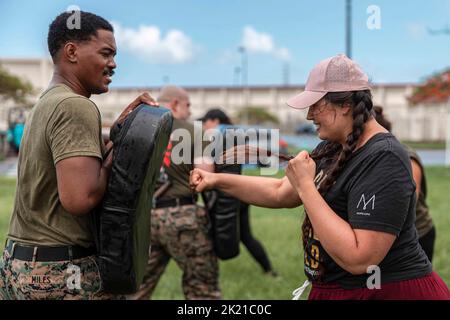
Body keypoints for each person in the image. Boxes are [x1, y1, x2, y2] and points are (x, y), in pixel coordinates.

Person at [190, 54, 449, 300]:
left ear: (345, 104)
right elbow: (279, 191)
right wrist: (215, 181)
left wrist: (306, 187)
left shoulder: (385, 157)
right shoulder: (335, 146)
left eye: (316, 105)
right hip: (340, 288)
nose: (308, 115)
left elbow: (360, 258)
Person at [0, 11, 156, 300]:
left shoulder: (47, 102)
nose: (113, 64)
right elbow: (79, 198)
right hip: (61, 272)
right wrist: (125, 151)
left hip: (20, 265)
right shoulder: (76, 106)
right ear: (72, 51)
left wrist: (121, 132)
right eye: (106, 53)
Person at [132, 85, 220, 300]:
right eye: (187, 105)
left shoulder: (138, 129)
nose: (190, 111)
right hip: (184, 217)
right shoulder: (195, 132)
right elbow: (205, 177)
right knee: (202, 290)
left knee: (136, 288)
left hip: (144, 220)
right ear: (175, 104)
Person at [200, 108, 278, 276]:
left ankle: (207, 276)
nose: (204, 127)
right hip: (242, 194)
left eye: (205, 123)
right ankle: (269, 270)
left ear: (214, 121)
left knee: (211, 233)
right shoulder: (235, 134)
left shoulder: (218, 137)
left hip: (224, 197)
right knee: (246, 236)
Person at [373, 106, 436, 263]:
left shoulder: (406, 157)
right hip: (389, 235)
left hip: (418, 233)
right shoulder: (370, 156)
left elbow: (408, 200)